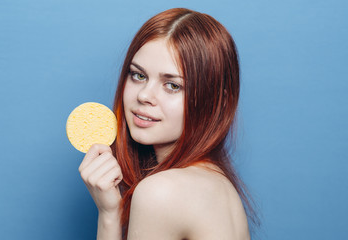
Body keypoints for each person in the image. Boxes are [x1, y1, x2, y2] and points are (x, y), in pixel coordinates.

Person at [79, 8, 257, 240]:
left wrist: (109, 215)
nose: (144, 95)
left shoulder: (161, 192)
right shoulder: (218, 184)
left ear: (216, 101)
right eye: (138, 75)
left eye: (172, 85)